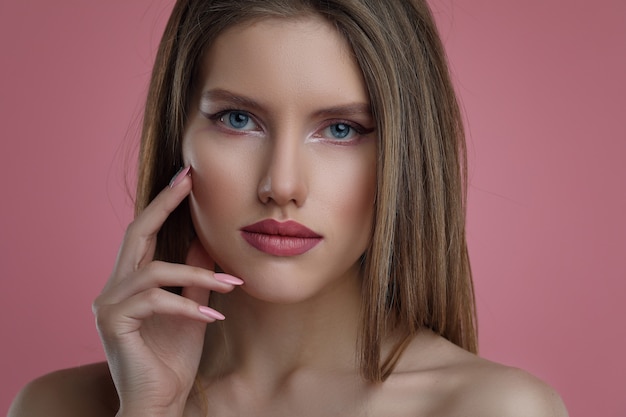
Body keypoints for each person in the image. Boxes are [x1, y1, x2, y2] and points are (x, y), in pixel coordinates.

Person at [9, 1, 568, 416]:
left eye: (342, 129)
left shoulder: (491, 408)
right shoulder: (55, 406)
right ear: (178, 136)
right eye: (237, 119)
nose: (282, 185)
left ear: (407, 153)